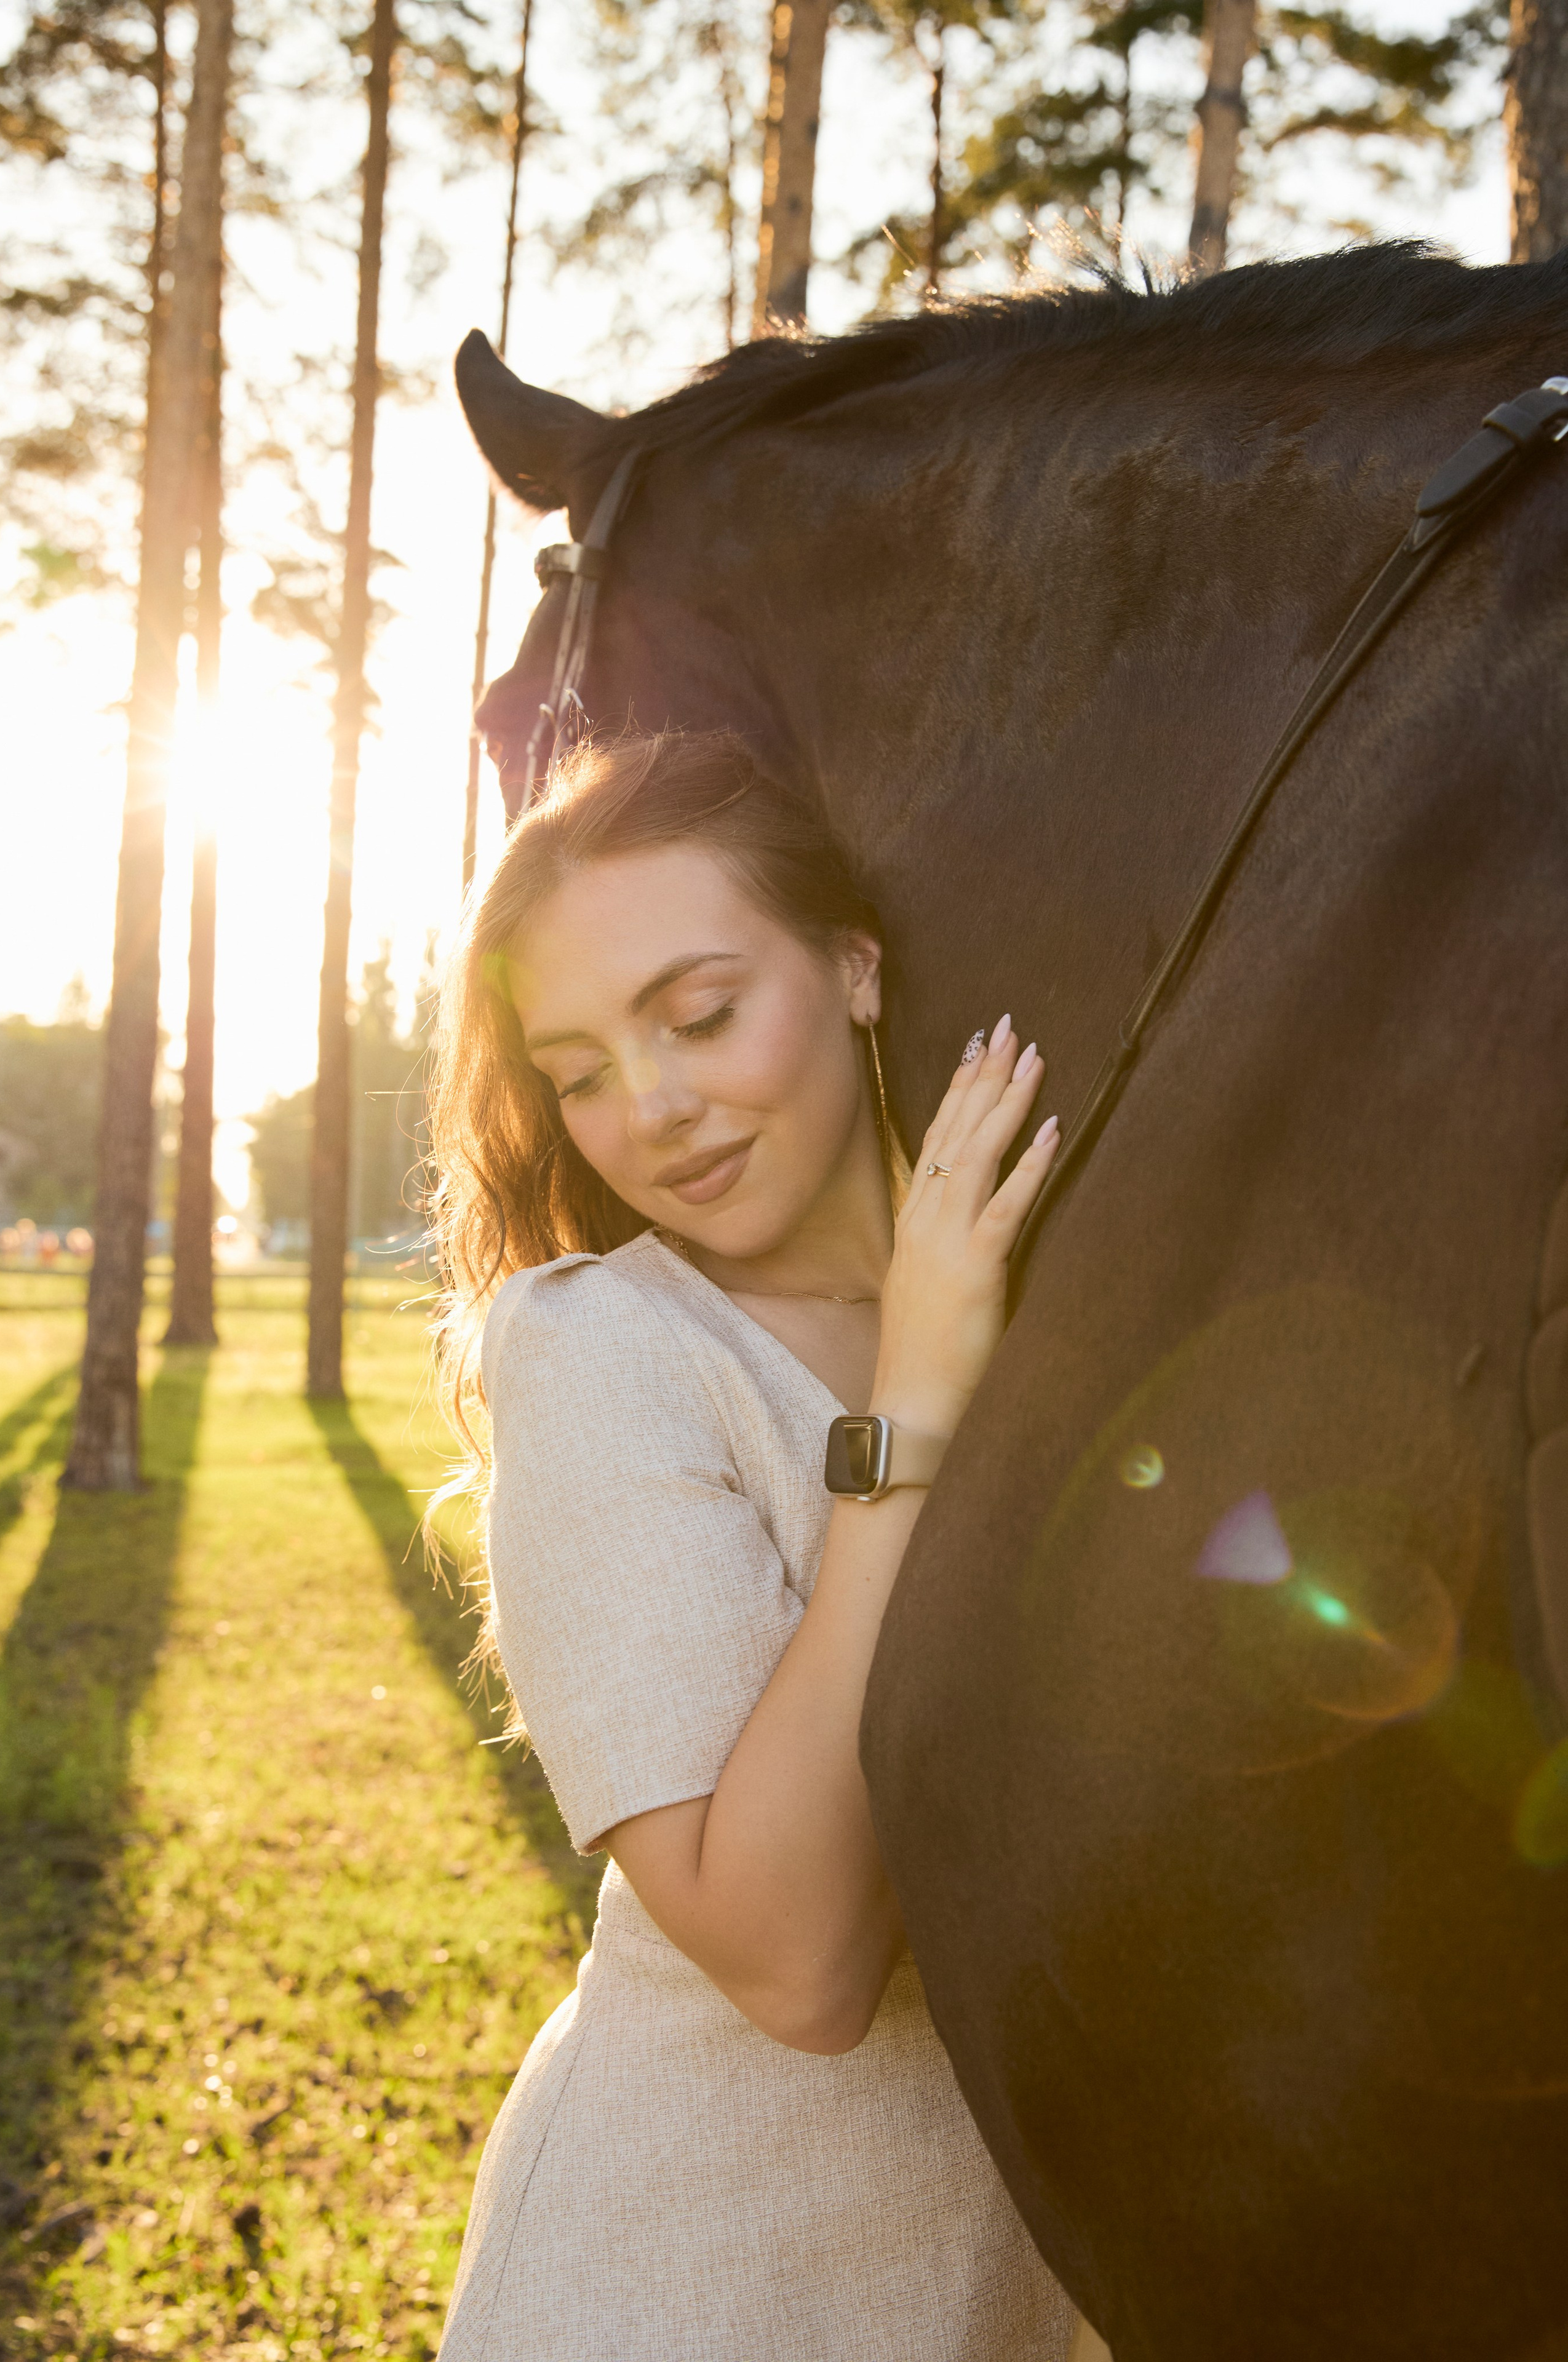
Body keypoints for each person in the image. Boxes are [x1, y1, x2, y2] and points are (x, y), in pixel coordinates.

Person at [429, 728, 1079, 2360]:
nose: (647, 1110)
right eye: (576, 1070)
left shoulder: (1073, 1293)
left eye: (698, 1016)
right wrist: (911, 1414)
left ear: (854, 967)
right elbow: (796, 1962)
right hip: (690, 2293)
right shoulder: (599, 1352)